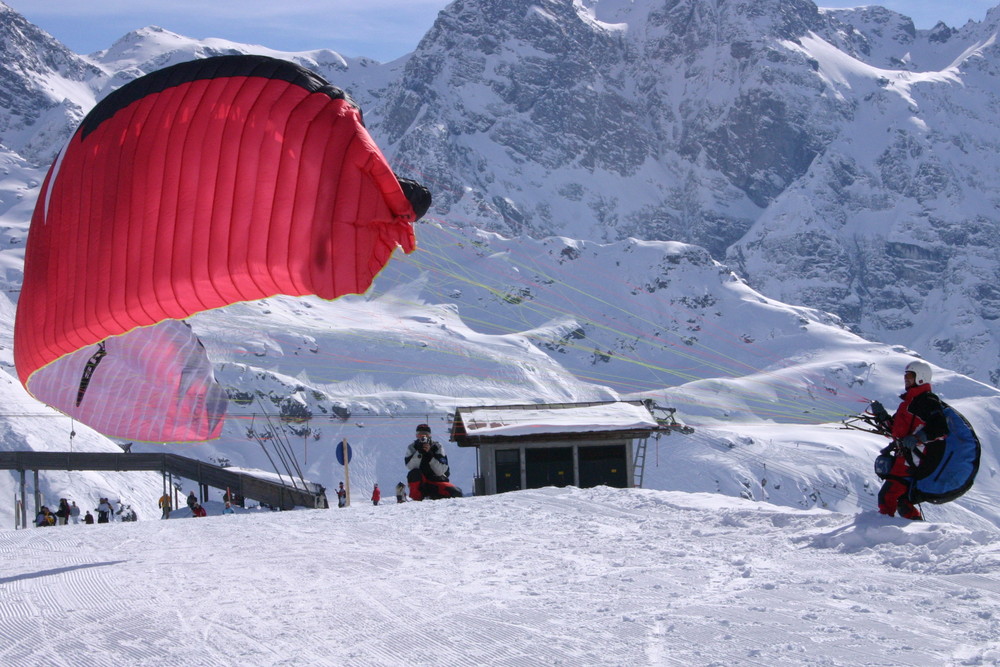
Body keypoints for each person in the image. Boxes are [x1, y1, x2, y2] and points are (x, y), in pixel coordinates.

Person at [871, 360, 949, 521]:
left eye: (910, 376)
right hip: (904, 459)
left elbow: (941, 429)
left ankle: (880, 532)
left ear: (920, 378)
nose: (906, 379)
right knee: (903, 502)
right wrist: (882, 417)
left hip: (913, 461)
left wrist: (917, 438)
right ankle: (917, 532)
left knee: (888, 497)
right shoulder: (907, 404)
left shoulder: (928, 401)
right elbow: (896, 432)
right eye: (905, 376)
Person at [404, 423, 463, 501]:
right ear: (416, 436)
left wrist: (430, 455)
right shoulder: (412, 447)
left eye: (425, 434)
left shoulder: (437, 446)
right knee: (414, 474)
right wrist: (419, 453)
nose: (423, 437)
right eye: (420, 434)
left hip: (436, 480)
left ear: (430, 435)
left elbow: (441, 470)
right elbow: (410, 467)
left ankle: (435, 496)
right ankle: (417, 499)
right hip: (420, 482)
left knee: (456, 493)